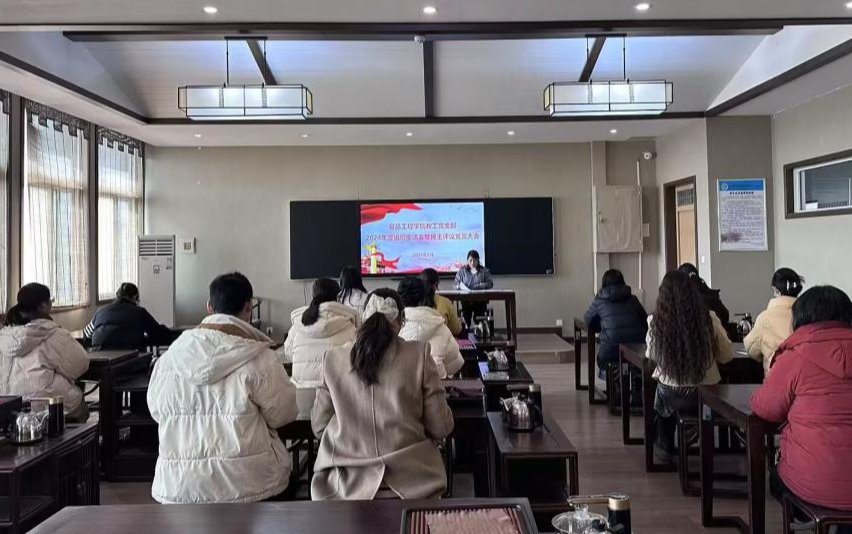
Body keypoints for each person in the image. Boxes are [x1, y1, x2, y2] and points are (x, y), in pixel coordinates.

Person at [147, 272, 297, 503]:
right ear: (248, 307)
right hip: (250, 487)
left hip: (177, 489)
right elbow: (284, 414)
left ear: (209, 306)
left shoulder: (169, 359)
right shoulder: (261, 357)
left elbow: (156, 411)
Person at [311, 288, 454, 500]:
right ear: (401, 321)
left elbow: (319, 426)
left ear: (363, 318)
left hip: (343, 487)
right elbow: (441, 427)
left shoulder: (332, 359)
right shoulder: (420, 355)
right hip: (415, 484)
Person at [751, 286, 852, 514]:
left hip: (812, 485)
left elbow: (766, 408)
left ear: (800, 319)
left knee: (776, 480)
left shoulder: (796, 356)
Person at [647, 270, 734, 464]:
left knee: (660, 394)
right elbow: (727, 355)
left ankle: (665, 445)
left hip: (672, 393)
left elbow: (651, 355)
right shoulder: (709, 317)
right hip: (707, 392)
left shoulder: (655, 321)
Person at [0, 283, 90, 422]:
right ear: (43, 305)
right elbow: (80, 365)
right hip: (45, 407)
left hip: (8, 408)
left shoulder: (5, 335)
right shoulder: (53, 334)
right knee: (79, 405)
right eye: (50, 300)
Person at [282, 278, 358, 386]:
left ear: (313, 296)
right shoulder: (350, 327)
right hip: (335, 394)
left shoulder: (298, 325)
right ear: (337, 296)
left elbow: (288, 354)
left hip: (301, 393)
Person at [583, 269, 648, 373]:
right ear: (622, 282)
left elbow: (588, 321)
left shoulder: (599, 300)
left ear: (604, 283)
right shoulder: (633, 299)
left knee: (603, 361)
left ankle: (612, 379)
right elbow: (645, 322)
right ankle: (631, 379)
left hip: (610, 354)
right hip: (636, 352)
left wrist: (603, 326)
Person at [397, 277, 464, 378]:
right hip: (437, 385)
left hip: (400, 386)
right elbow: (455, 363)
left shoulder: (394, 326)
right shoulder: (440, 325)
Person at [744, 268, 804, 374]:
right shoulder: (807, 315)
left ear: (775, 290)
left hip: (776, 377)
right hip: (803, 377)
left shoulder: (765, 317)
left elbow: (751, 349)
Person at [82, 282, 175, 350]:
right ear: (135, 298)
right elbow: (158, 334)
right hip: (129, 358)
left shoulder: (100, 312)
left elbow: (86, 335)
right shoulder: (139, 312)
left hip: (100, 357)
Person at [454, 250, 493, 325]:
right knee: (466, 317)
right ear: (467, 260)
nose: (472, 263)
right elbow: (456, 283)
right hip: (466, 300)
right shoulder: (462, 271)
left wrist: (481, 285)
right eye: (470, 260)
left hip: (480, 300)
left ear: (478, 260)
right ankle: (466, 329)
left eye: (475, 260)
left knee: (478, 317)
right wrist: (460, 286)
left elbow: (490, 283)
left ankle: (479, 328)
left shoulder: (484, 271)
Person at [421, 268, 462, 336]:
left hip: (416, 341)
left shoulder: (412, 302)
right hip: (440, 341)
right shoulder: (445, 302)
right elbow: (456, 330)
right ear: (436, 284)